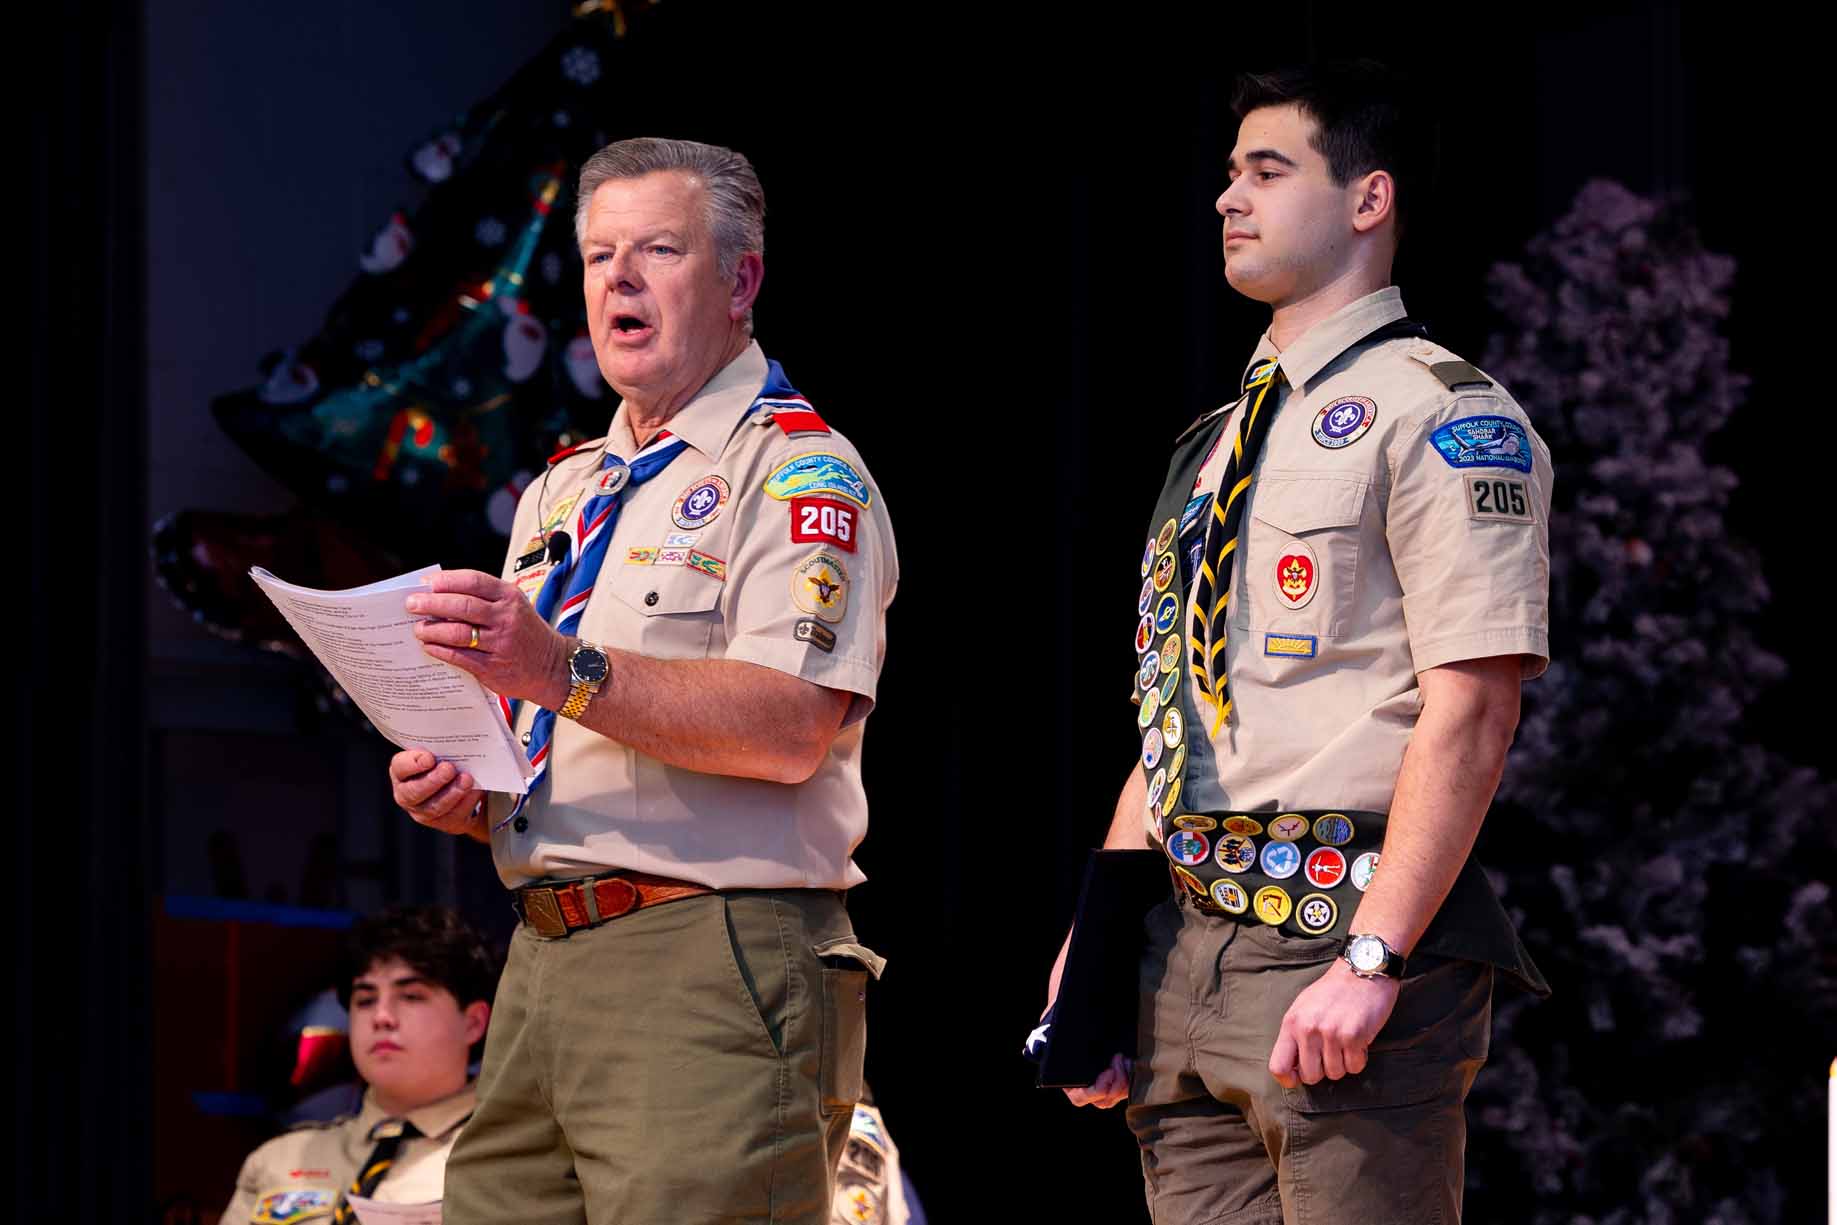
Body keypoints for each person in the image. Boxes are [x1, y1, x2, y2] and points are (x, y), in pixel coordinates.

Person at [1040, 62, 1552, 1224]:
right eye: (1229, 173)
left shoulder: (1445, 412)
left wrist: (1375, 958)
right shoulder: (1215, 441)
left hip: (1342, 935)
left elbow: (1473, 708)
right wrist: (1098, 943)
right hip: (1184, 952)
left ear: (1368, 199)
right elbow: (1174, 714)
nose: (1229, 197)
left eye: (1268, 172)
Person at [386, 137, 895, 1225]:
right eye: (597, 255)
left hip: (711, 956)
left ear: (740, 280)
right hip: (541, 952)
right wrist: (469, 793)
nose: (617, 279)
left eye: (657, 250)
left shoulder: (798, 471)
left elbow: (788, 727)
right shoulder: (563, 489)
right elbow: (557, 737)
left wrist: (550, 663)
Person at [221, 905, 495, 1223]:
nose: (382, 1017)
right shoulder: (280, 1160)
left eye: (411, 996)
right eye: (365, 1000)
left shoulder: (508, 1160)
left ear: (473, 1023)